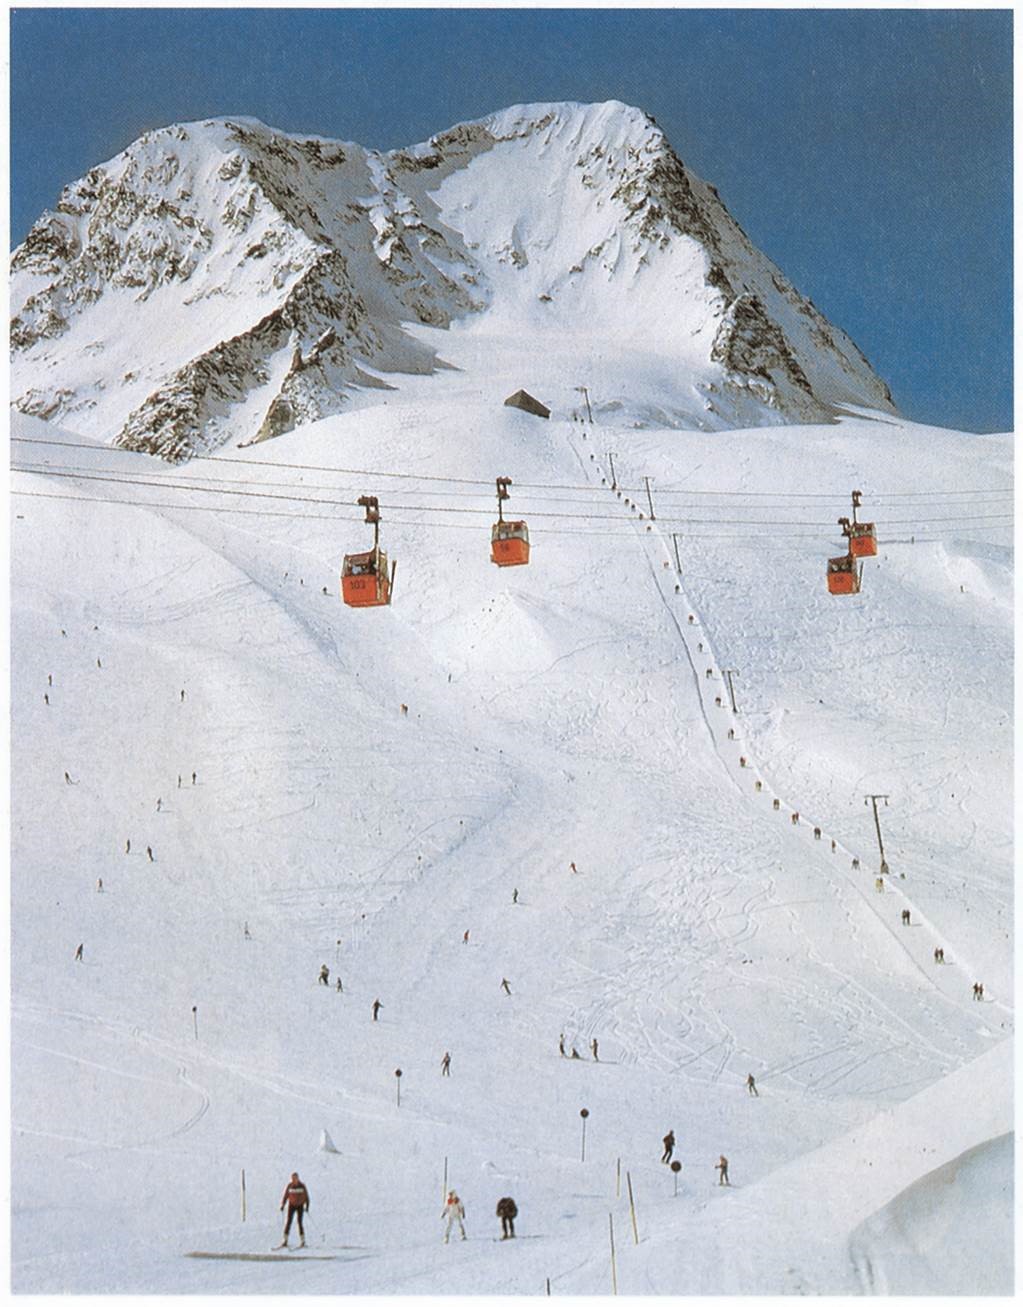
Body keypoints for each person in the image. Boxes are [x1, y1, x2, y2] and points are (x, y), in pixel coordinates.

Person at [277, 1172, 309, 1248]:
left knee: (300, 1222)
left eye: (295, 1178)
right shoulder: (290, 1186)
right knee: (289, 1222)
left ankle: (303, 1241)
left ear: (298, 1178)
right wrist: (283, 1204)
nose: (294, 1180)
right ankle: (285, 1240)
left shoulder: (302, 1186)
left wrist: (307, 1206)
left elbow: (306, 1196)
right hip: (292, 1205)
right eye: (293, 1178)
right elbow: (286, 1195)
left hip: (300, 1206)